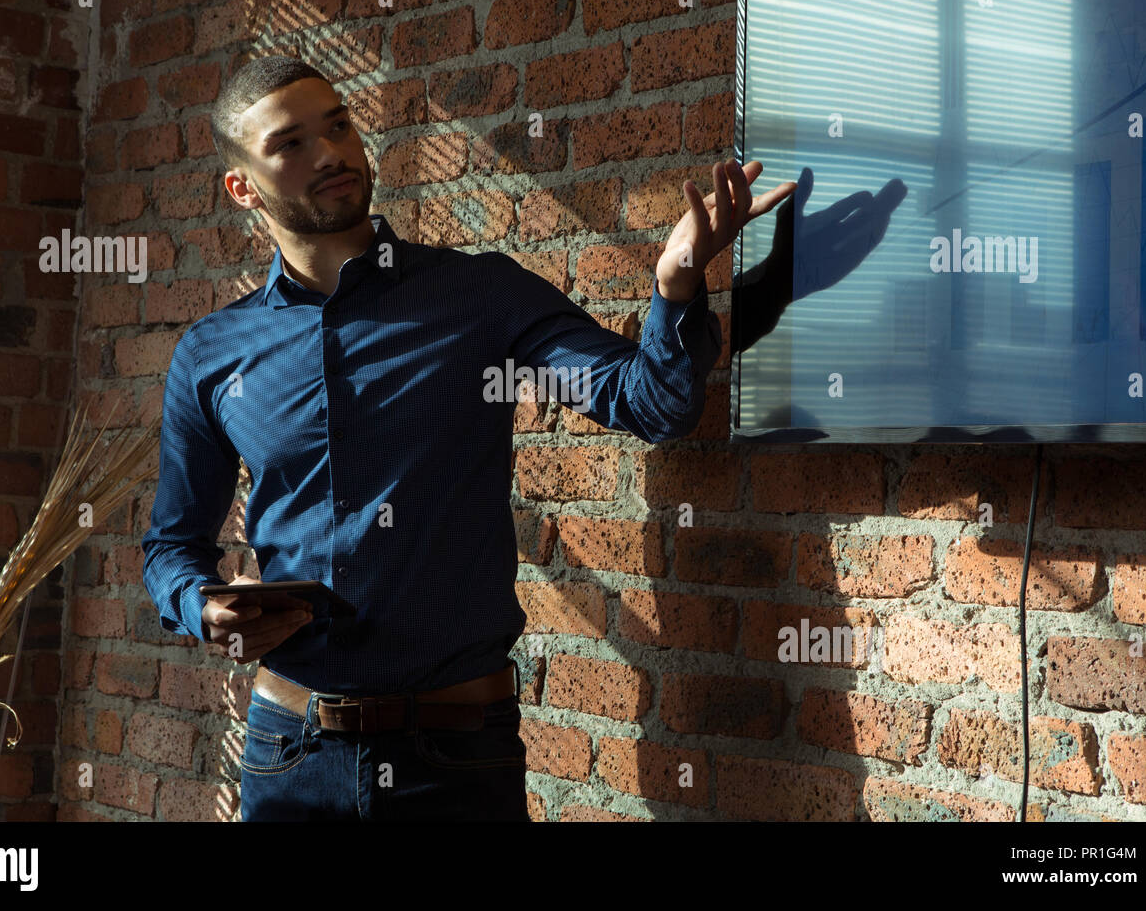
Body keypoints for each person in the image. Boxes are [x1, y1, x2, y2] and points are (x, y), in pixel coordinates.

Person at [140, 55, 795, 821]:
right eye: (290, 144)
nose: (331, 154)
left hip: (455, 758)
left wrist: (677, 282)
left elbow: (651, 403)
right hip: (288, 758)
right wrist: (204, 606)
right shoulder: (214, 354)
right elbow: (172, 546)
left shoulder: (478, 294)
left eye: (340, 126)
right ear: (242, 186)